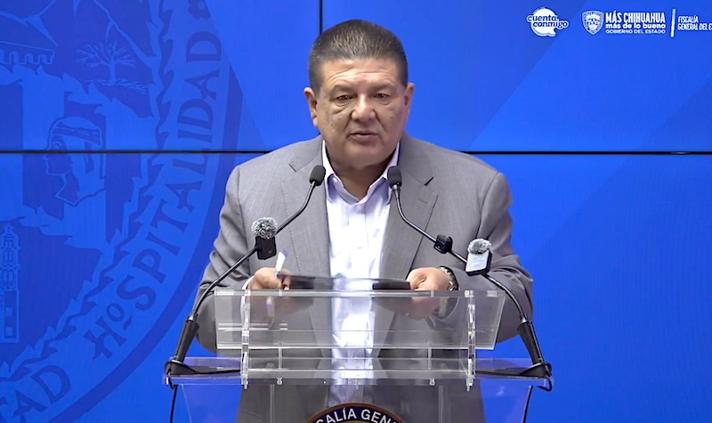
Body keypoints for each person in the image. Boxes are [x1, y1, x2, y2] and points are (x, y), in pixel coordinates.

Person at [195, 19, 532, 422]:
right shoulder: (253, 186)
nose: (363, 112)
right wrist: (254, 303)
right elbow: (206, 321)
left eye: (381, 95)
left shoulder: (475, 188)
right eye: (343, 96)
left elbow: (516, 304)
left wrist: (450, 289)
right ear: (314, 106)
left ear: (406, 100)